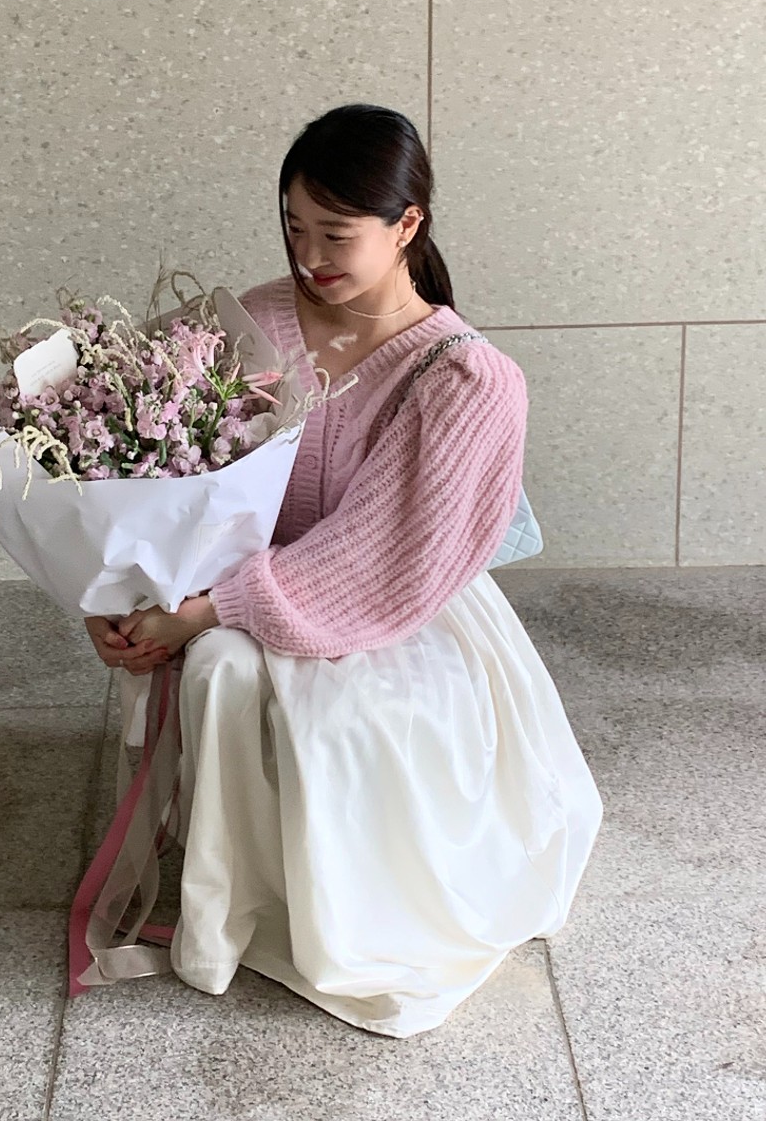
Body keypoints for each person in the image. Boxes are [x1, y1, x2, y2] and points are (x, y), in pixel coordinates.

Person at [83, 102, 604, 1038]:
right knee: (220, 668)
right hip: (236, 585)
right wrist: (115, 592)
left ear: (407, 226)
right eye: (294, 228)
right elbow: (132, 455)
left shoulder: (468, 379)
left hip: (401, 602)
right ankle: (231, 896)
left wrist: (202, 611)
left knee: (256, 676)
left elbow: (382, 554)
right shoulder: (254, 323)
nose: (309, 255)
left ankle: (330, 900)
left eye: (336, 233)